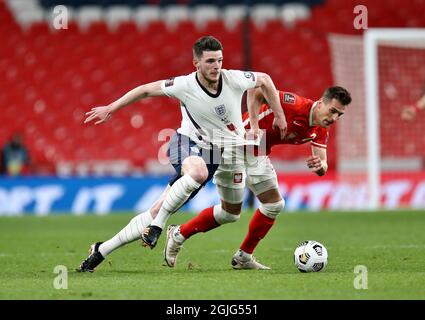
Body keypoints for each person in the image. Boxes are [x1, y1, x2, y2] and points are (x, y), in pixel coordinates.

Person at [77, 35, 287, 272]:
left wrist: (279, 115)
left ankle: (101, 250)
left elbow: (266, 80)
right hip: (185, 142)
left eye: (219, 60)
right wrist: (111, 108)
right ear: (196, 62)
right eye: (209, 61)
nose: (216, 66)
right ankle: (158, 226)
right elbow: (146, 90)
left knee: (220, 213)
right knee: (196, 173)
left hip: (217, 154)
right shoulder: (184, 85)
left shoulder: (234, 78)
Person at [164, 86, 352, 270]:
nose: (334, 118)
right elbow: (256, 90)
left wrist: (320, 167)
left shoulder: (321, 128)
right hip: (235, 143)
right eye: (333, 111)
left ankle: (244, 256)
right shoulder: (295, 104)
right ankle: (178, 234)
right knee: (230, 214)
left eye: (339, 115)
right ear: (321, 104)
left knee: (274, 205)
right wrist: (254, 125)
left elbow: (323, 163)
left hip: (259, 150)